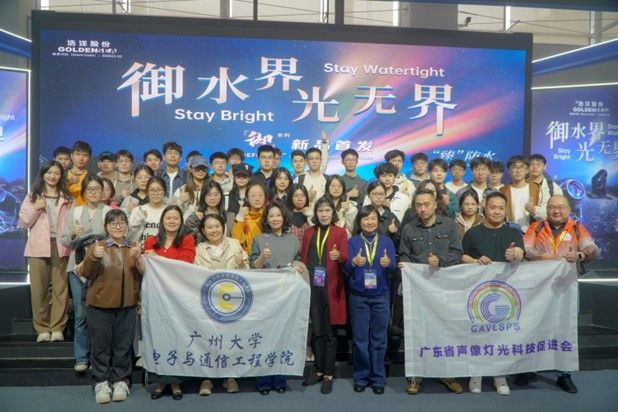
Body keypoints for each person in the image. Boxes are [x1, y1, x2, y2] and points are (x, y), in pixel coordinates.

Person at [522, 194, 599, 394]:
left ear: (568, 209)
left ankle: (564, 374)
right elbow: (526, 249)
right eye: (552, 207)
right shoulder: (536, 227)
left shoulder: (577, 228)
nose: (556, 211)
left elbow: (592, 248)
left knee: (564, 328)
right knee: (534, 326)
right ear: (546, 209)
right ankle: (530, 369)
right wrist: (547, 256)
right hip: (538, 288)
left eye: (561, 207)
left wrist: (580, 254)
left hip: (566, 288)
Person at [398, 188, 463, 395]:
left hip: (444, 289)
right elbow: (404, 254)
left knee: (445, 331)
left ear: (435, 204)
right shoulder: (409, 228)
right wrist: (404, 264)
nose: (423, 209)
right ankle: (415, 376)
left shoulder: (449, 225)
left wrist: (441, 261)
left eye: (427, 204)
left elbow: (458, 253)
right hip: (418, 290)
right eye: (418, 205)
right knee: (417, 332)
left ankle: (447, 374)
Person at [461, 191, 525, 396]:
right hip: (478, 293)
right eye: (492, 207)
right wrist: (475, 261)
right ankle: (476, 376)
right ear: (484, 208)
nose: (496, 212)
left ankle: (500, 376)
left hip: (505, 293)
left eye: (501, 208)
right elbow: (461, 256)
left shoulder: (514, 233)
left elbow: (521, 253)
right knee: (477, 333)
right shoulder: (472, 233)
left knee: (501, 335)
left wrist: (516, 254)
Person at [77, 209, 144, 404]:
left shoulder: (133, 247)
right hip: (99, 305)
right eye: (113, 223)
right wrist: (93, 257)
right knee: (100, 346)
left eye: (122, 222)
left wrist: (138, 258)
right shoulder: (96, 246)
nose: (118, 226)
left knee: (123, 346)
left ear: (127, 226)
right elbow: (86, 274)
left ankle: (121, 381)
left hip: (128, 305)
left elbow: (142, 274)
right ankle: (101, 382)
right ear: (106, 227)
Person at [250, 202, 306, 395]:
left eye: (278, 215)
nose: (275, 219)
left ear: (284, 218)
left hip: (287, 295)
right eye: (271, 215)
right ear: (266, 219)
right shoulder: (259, 239)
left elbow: (299, 259)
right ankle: (263, 379)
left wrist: (298, 265)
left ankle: (280, 378)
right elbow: (253, 267)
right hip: (265, 296)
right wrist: (263, 257)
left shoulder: (293, 239)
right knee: (264, 337)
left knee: (283, 336)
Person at [144, 205, 196, 400]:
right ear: (162, 220)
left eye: (176, 218)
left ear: (181, 221)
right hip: (156, 296)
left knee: (177, 336)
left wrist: (158, 258)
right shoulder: (151, 241)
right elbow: (146, 267)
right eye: (168, 218)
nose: (172, 221)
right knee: (159, 337)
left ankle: (176, 382)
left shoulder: (187, 239)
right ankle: (160, 381)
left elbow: (185, 263)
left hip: (178, 296)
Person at [61, 175, 112, 373]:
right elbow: (65, 240)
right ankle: (81, 357)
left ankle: (99, 358)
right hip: (77, 269)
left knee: (100, 314)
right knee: (81, 314)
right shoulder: (75, 212)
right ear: (83, 192)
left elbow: (115, 239)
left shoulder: (109, 212)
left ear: (103, 192)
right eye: (89, 189)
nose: (93, 192)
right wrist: (74, 233)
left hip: (102, 268)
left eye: (97, 189)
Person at [19, 160, 73, 343]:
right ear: (43, 174)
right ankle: (42, 328)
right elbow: (23, 222)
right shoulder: (32, 196)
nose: (52, 176)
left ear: (61, 176)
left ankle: (57, 328)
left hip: (61, 246)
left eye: (56, 173)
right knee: (39, 290)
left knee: (60, 289)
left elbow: (71, 223)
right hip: (38, 247)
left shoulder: (67, 198)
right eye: (49, 172)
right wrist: (36, 208)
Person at [194, 213, 247, 396]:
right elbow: (193, 275)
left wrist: (241, 264)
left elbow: (248, 273)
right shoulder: (199, 249)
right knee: (208, 338)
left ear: (223, 227)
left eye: (217, 226)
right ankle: (206, 378)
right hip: (208, 301)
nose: (214, 230)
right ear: (203, 231)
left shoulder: (235, 244)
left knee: (230, 339)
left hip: (232, 302)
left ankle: (230, 377)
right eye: (209, 227)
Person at [345, 205, 396, 395]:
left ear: (378, 221)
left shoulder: (386, 241)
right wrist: (353, 262)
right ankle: (361, 377)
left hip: (381, 296)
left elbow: (393, 269)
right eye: (366, 218)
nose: (370, 222)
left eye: (373, 218)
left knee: (379, 339)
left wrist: (388, 264)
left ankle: (378, 378)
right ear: (360, 222)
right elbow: (345, 268)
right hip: (358, 296)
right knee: (360, 340)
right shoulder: (353, 242)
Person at [301, 196, 349, 394]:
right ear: (316, 213)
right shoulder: (308, 232)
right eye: (320, 210)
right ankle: (319, 369)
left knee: (330, 333)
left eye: (327, 210)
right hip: (313, 287)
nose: (324, 214)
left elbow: (345, 256)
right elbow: (304, 258)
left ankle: (329, 373)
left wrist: (339, 256)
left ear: (333, 212)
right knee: (317, 331)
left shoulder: (340, 232)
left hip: (331, 287)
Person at [499, 155, 541, 233]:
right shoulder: (503, 191)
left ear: (527, 170)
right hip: (510, 232)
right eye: (514, 167)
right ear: (509, 171)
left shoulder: (536, 188)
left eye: (521, 167)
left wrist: (534, 210)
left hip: (532, 232)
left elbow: (545, 212)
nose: (518, 170)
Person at [127, 177, 168, 245]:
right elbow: (129, 238)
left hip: (163, 249)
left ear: (164, 192)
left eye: (159, 190)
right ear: (147, 192)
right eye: (152, 190)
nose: (155, 193)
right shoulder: (138, 210)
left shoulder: (170, 211)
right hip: (141, 249)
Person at [231, 181, 267, 253]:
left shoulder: (269, 215)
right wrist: (240, 217)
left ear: (265, 197)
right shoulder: (242, 217)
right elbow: (236, 241)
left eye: (260, 195)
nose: (257, 199)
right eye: (253, 195)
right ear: (247, 198)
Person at [172, 155, 208, 219]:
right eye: (197, 168)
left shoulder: (211, 188)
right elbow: (172, 212)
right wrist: (180, 201)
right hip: (186, 224)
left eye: (203, 168)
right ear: (191, 169)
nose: (200, 171)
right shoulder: (182, 189)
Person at [528, 154, 563, 220]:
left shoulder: (553, 187)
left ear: (544, 167)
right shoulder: (522, 185)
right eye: (532, 164)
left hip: (546, 225)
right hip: (523, 225)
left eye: (538, 164)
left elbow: (558, 211)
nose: (535, 167)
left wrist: (535, 210)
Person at [226, 163, 253, 235]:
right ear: (234, 177)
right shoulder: (228, 194)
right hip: (233, 231)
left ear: (249, 178)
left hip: (251, 230)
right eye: (238, 176)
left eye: (244, 176)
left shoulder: (254, 194)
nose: (241, 178)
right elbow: (229, 219)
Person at [66, 140, 92, 206]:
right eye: (78, 154)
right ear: (71, 156)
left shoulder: (92, 177)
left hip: (85, 211)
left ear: (89, 158)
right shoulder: (62, 175)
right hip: (66, 210)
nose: (81, 158)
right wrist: (68, 182)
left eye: (85, 155)